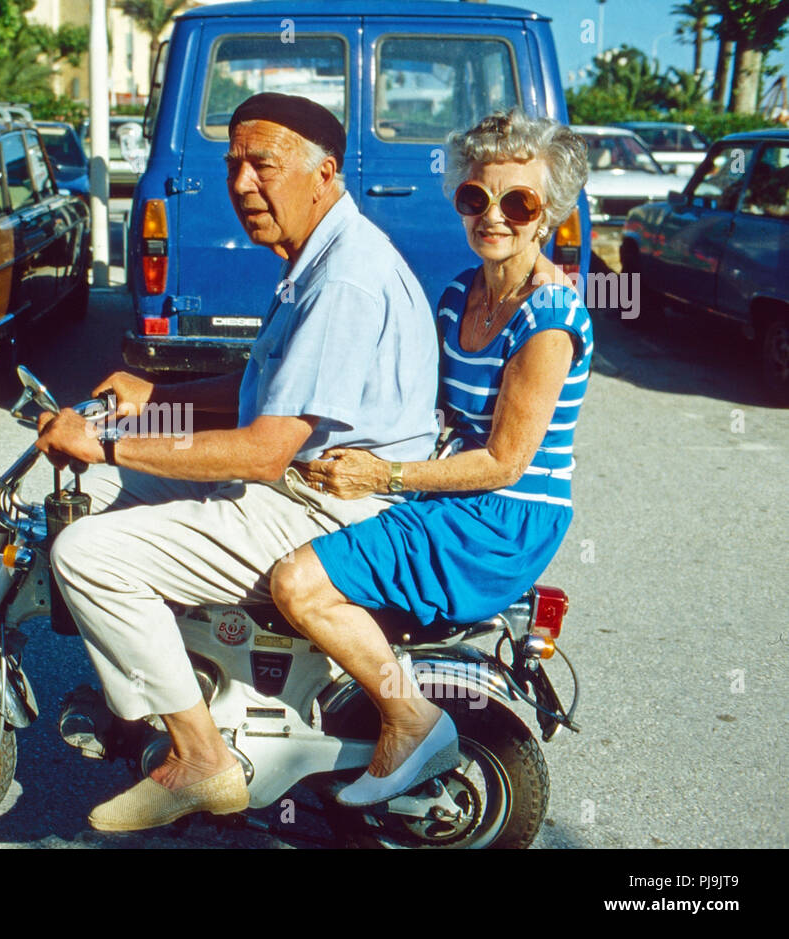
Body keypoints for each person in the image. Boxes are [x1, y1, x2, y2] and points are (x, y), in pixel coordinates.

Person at [35, 92, 441, 832]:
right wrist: (157, 396)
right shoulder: (320, 256)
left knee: (87, 552)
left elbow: (263, 449)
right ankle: (176, 665)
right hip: (304, 482)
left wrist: (105, 440)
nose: (244, 183)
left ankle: (201, 758)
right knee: (113, 486)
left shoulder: (343, 278)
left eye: (265, 164)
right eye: (233, 165)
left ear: (323, 173)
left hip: (326, 504)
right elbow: (264, 393)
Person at [269, 108, 591, 807]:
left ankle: (408, 719)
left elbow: (505, 462)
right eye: (475, 197)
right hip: (450, 494)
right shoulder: (458, 295)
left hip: (501, 518)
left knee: (297, 583)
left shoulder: (550, 319)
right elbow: (422, 408)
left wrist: (377, 473)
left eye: (519, 202)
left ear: (551, 215)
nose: (493, 215)